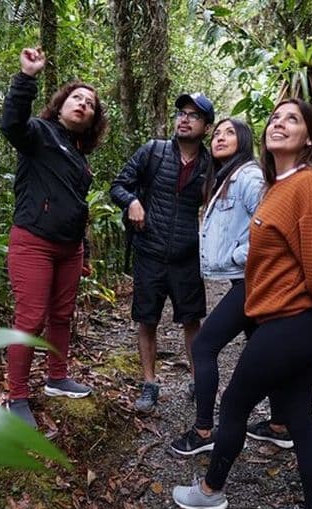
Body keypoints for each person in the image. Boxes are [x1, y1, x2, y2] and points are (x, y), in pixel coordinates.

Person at [172, 99, 312, 509]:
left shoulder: (309, 184)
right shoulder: (279, 185)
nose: (280, 123)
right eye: (275, 118)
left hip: (294, 321)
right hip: (292, 319)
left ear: (309, 137)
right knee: (299, 416)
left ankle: (210, 491)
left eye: (292, 119)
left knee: (234, 403)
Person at [0, 46, 108, 427]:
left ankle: (57, 378)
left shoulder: (80, 158)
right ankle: (16, 396)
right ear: (60, 105)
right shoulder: (39, 134)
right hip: (34, 242)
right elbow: (11, 124)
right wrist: (26, 78)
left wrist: (84, 252)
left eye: (90, 104)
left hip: (69, 249)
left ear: (92, 120)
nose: (83, 104)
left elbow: (77, 207)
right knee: (30, 319)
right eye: (77, 98)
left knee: (62, 315)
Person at [169, 118, 291, 455]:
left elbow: (271, 228)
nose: (220, 137)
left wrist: (238, 255)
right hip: (248, 279)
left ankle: (203, 431)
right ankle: (280, 425)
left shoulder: (248, 177)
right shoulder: (226, 177)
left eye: (230, 133)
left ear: (245, 140)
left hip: (253, 279)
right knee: (262, 347)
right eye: (218, 133)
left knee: (204, 346)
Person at [110, 93, 214, 413]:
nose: (184, 119)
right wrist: (132, 201)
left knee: (191, 320)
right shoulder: (153, 152)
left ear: (207, 127)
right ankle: (150, 383)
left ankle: (198, 381)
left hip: (187, 256)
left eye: (193, 115)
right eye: (181, 113)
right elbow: (118, 185)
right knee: (147, 319)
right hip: (149, 252)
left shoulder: (211, 165)